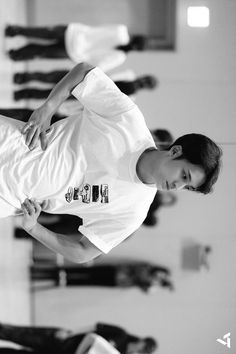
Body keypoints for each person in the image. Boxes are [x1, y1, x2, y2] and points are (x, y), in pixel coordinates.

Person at [0, 62, 222, 263]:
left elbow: (82, 251)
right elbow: (84, 72)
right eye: (184, 176)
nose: (178, 186)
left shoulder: (133, 212)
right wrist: (47, 109)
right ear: (175, 151)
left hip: (9, 197)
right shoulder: (128, 121)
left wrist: (34, 228)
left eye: (187, 186)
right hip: (11, 141)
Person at [5, 24, 147, 72]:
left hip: (75, 32)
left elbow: (99, 28)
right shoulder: (120, 57)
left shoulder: (121, 30)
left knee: (43, 32)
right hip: (74, 52)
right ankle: (16, 54)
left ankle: (14, 30)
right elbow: (99, 66)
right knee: (41, 52)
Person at [0, 322, 158, 354]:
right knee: (18, 334)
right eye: (142, 350)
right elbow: (94, 327)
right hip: (63, 340)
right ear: (141, 342)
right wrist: (70, 333)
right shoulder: (121, 335)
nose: (139, 353)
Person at [30, 261, 173, 291]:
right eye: (162, 274)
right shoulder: (147, 268)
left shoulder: (151, 283)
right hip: (114, 271)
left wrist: (158, 284)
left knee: (84, 283)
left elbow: (145, 289)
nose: (160, 276)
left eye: (163, 278)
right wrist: (155, 281)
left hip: (115, 282)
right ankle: (41, 272)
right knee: (80, 271)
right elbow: (139, 274)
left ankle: (46, 278)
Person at [13, 73, 158, 101]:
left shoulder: (131, 97)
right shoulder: (128, 74)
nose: (143, 82)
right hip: (88, 77)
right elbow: (108, 73)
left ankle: (22, 94)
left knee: (51, 93)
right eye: (146, 79)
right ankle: (24, 78)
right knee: (50, 77)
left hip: (86, 92)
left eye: (146, 84)